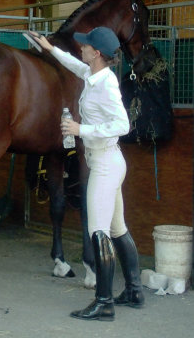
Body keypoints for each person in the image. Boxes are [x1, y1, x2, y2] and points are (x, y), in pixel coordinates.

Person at [31, 27, 144, 322]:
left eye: (86, 46)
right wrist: (50, 48)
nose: (81, 47)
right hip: (107, 161)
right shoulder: (93, 74)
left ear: (96, 53)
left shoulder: (106, 84)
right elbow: (75, 64)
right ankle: (133, 290)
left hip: (106, 163)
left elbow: (123, 125)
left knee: (98, 231)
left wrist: (82, 130)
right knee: (117, 228)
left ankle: (104, 302)